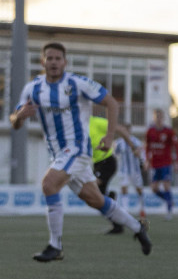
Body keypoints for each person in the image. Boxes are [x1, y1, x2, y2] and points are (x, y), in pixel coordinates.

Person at [9, 42, 152, 262]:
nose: (54, 62)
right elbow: (15, 121)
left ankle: (55, 246)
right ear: (43, 61)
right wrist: (19, 117)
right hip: (58, 153)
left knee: (49, 184)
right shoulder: (33, 88)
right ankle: (137, 227)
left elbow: (111, 103)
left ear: (65, 62)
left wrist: (109, 135)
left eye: (58, 58)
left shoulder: (78, 83)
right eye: (50, 58)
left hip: (77, 149)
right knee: (94, 199)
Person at [90, 115, 134, 234]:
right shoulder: (76, 127)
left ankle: (111, 199)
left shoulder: (95, 122)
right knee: (97, 199)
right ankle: (117, 224)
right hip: (97, 164)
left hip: (107, 161)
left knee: (94, 192)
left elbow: (120, 129)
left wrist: (132, 145)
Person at [145, 108, 178, 219]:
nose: (158, 119)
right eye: (156, 116)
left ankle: (169, 211)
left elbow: (176, 147)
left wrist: (177, 162)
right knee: (154, 188)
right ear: (154, 117)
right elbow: (147, 147)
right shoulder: (150, 132)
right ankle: (169, 200)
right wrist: (147, 160)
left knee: (166, 185)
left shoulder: (168, 131)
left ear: (163, 118)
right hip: (155, 163)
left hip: (166, 162)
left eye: (160, 116)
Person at [113, 123, 148, 225]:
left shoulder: (136, 142)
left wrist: (142, 160)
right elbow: (115, 154)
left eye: (127, 130)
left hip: (135, 171)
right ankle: (125, 210)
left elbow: (141, 155)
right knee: (124, 189)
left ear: (130, 130)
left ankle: (142, 208)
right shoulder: (119, 143)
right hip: (124, 171)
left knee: (139, 190)